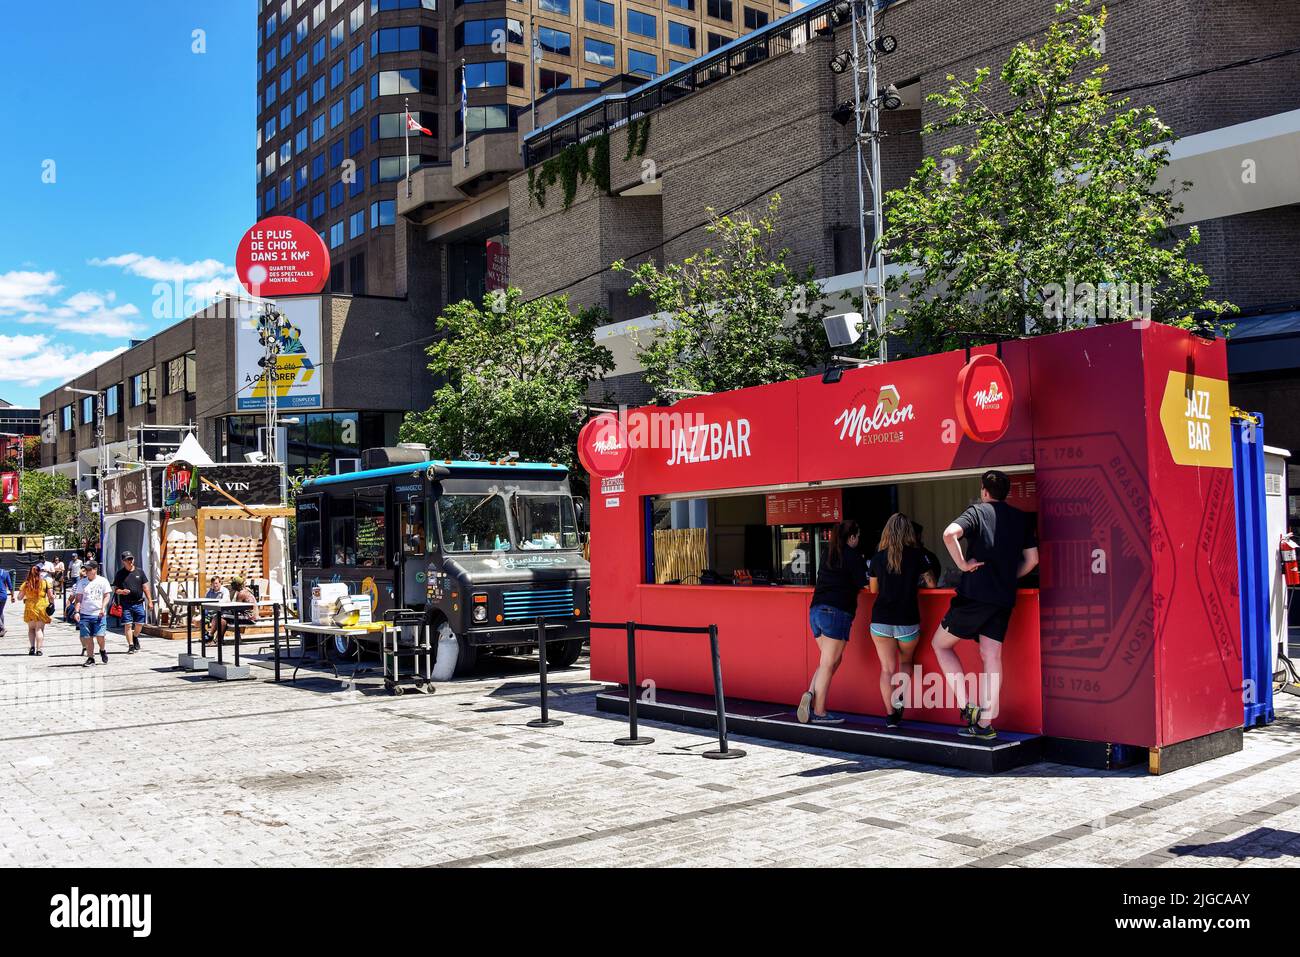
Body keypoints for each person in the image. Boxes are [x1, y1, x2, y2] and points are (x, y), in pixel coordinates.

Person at [930, 470, 1039, 740]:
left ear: (984, 491)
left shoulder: (977, 512)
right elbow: (1033, 560)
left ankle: (968, 707)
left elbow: (948, 534)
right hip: (1003, 598)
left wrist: (963, 565)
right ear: (1006, 492)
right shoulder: (1020, 518)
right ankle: (985, 723)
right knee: (992, 657)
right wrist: (1006, 576)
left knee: (940, 645)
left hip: (974, 595)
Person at [868, 513, 938, 728]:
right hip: (907, 620)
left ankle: (890, 716)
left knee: (887, 670)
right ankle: (900, 699)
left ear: (887, 532)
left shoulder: (878, 557)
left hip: (881, 621)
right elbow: (932, 584)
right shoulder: (918, 556)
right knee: (906, 662)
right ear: (909, 532)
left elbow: (873, 589)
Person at [797, 519, 868, 725]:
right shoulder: (853, 556)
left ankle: (810, 694)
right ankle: (819, 712)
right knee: (829, 662)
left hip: (816, 611)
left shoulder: (828, 554)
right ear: (852, 537)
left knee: (831, 661)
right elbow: (865, 582)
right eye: (858, 536)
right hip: (836, 612)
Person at [71, 560, 114, 667]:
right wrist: (76, 611)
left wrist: (103, 608)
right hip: (85, 614)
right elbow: (78, 598)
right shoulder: (82, 582)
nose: (87, 571)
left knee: (100, 636)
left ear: (95, 570)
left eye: (89, 569)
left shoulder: (103, 581)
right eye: (86, 569)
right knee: (88, 638)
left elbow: (107, 595)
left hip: (98, 614)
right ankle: (91, 658)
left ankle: (102, 650)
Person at [111, 551, 153, 654]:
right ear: (123, 561)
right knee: (128, 625)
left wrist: (150, 601)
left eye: (131, 559)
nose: (130, 561)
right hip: (126, 603)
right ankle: (130, 646)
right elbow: (115, 589)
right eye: (127, 560)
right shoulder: (120, 574)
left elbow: (145, 588)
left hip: (139, 602)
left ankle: (135, 637)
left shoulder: (140, 572)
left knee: (140, 624)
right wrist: (122, 591)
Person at [18, 565, 52, 656]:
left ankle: (32, 647)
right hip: (41, 607)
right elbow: (51, 596)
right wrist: (52, 603)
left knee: (31, 629)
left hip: (30, 607)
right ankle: (39, 649)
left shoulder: (26, 583)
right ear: (39, 572)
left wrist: (27, 597)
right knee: (39, 629)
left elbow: (19, 597)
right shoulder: (44, 582)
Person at [0, 565, 11, 638]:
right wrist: (12, 596)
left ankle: (2, 628)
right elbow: (10, 585)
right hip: (4, 595)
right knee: (1, 612)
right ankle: (1, 630)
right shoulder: (5, 572)